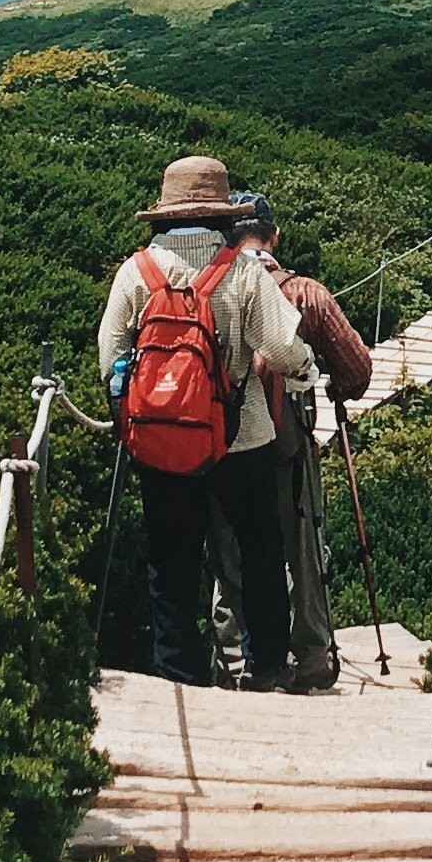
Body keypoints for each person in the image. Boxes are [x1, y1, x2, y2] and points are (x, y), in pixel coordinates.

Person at [98, 154, 312, 689]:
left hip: (162, 440)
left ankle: (178, 672)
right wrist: (307, 373)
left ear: (165, 214)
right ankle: (266, 666)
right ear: (222, 215)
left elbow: (109, 357)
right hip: (243, 437)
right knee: (259, 552)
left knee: (171, 561)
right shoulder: (241, 270)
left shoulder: (136, 272)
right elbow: (282, 346)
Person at [229, 195, 373, 692]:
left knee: (231, 546)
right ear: (275, 235)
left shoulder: (206, 286)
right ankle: (311, 650)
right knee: (302, 544)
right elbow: (357, 371)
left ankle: (233, 655)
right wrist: (329, 383)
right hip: (286, 443)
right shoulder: (305, 294)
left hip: (221, 443)